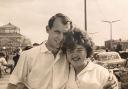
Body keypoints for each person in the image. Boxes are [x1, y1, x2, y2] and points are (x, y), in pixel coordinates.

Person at [7, 13, 72, 89]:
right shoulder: (28, 56)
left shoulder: (69, 57)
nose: (61, 37)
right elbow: (12, 85)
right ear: (48, 29)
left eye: (65, 33)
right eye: (57, 32)